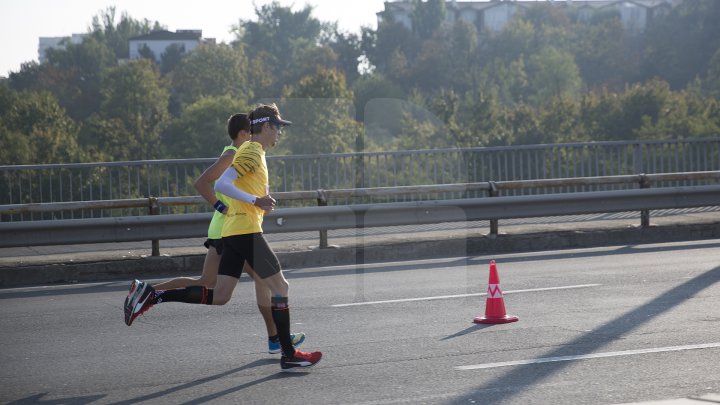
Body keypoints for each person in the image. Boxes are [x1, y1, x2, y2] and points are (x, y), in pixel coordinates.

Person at [124, 104, 322, 371]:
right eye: (277, 128)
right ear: (265, 127)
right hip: (245, 231)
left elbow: (231, 185)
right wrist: (256, 200)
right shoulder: (251, 150)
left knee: (220, 295)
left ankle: (154, 297)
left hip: (233, 231)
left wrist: (258, 201)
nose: (280, 134)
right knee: (281, 287)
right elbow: (221, 184)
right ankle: (287, 352)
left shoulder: (255, 152)